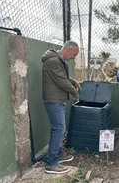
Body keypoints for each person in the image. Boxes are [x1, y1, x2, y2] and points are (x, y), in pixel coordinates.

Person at [42, 41, 81, 174]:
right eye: (74, 54)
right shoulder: (53, 60)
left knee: (58, 128)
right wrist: (75, 93)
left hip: (58, 99)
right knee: (59, 129)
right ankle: (52, 163)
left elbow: (62, 76)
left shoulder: (57, 60)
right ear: (69, 50)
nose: (74, 57)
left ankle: (58, 154)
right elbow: (61, 80)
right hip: (54, 100)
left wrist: (73, 81)